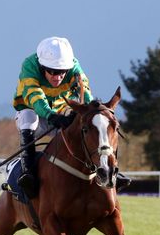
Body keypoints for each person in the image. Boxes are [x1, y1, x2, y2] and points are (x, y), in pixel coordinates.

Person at [12, 36, 130, 198]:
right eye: (52, 72)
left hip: (61, 109)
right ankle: (28, 174)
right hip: (30, 107)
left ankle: (108, 171)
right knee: (29, 120)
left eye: (62, 72)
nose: (57, 77)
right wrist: (50, 116)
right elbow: (35, 97)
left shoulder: (74, 67)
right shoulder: (29, 66)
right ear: (41, 66)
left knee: (88, 128)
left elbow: (85, 92)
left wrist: (91, 112)